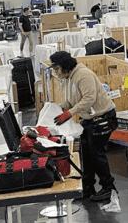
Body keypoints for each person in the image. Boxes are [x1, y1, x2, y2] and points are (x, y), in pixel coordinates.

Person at [48, 51, 118, 202]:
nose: (56, 73)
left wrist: (69, 113)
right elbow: (72, 101)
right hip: (89, 119)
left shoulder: (83, 75)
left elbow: (89, 98)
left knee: (97, 155)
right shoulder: (68, 78)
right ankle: (87, 188)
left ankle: (109, 189)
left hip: (102, 118)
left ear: (66, 66)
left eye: (57, 69)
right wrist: (55, 108)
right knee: (85, 155)